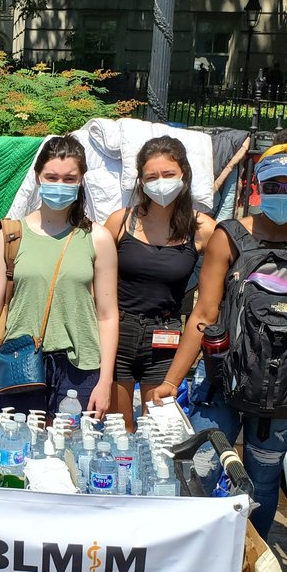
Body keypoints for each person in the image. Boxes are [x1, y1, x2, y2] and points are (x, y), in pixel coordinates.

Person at [147, 145, 287, 539]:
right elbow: (203, 315)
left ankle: (249, 558)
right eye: (274, 184)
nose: (282, 193)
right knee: (202, 468)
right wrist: (171, 381)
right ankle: (199, 554)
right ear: (258, 187)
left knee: (264, 479)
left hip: (285, 388)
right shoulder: (230, 236)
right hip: (222, 376)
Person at [0, 135, 118, 416]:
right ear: (38, 178)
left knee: (73, 453)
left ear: (81, 180)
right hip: (21, 361)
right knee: (18, 451)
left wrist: (105, 379)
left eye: (69, 179)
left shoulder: (98, 238)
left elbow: (108, 314)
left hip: (81, 368)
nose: (59, 185)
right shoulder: (12, 235)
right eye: (51, 177)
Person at [105, 136, 215, 430]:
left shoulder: (203, 229)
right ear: (140, 181)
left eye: (168, 175)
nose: (160, 183)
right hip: (119, 333)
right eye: (151, 176)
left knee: (159, 434)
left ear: (184, 176)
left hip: (166, 336)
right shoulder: (120, 222)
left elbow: (217, 288)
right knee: (119, 431)